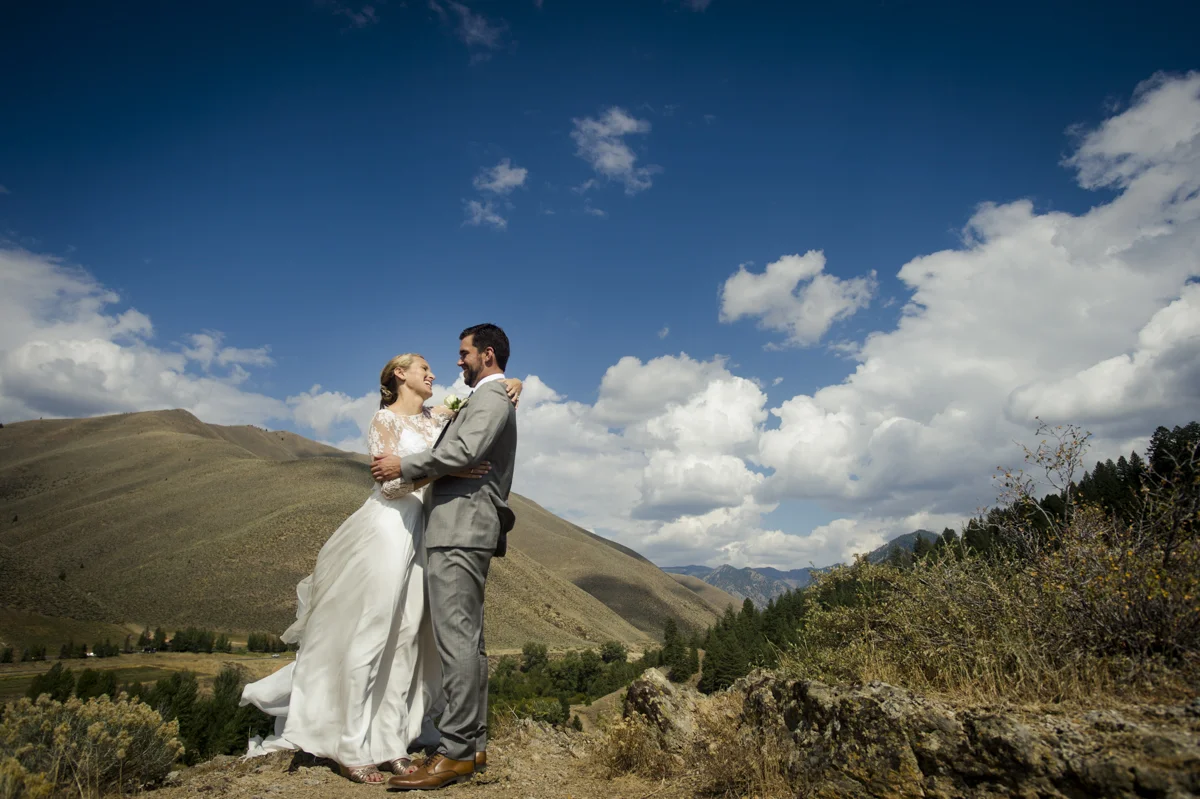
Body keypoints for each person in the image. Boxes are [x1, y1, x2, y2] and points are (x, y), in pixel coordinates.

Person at [239, 351, 522, 784]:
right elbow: (389, 486)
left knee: (408, 638)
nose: (433, 373)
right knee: (371, 634)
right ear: (399, 374)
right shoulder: (383, 421)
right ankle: (351, 745)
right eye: (423, 368)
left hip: (425, 533)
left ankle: (391, 742)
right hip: (389, 530)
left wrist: (512, 383)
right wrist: (448, 471)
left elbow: (487, 398)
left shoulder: (439, 416)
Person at [371, 323, 518, 791]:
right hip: (464, 528)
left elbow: (466, 450)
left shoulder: (491, 398)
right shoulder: (492, 396)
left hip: (460, 528)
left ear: (487, 355)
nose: (458, 361)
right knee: (469, 644)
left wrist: (403, 465)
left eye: (464, 353)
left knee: (458, 642)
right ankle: (473, 746)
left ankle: (453, 753)